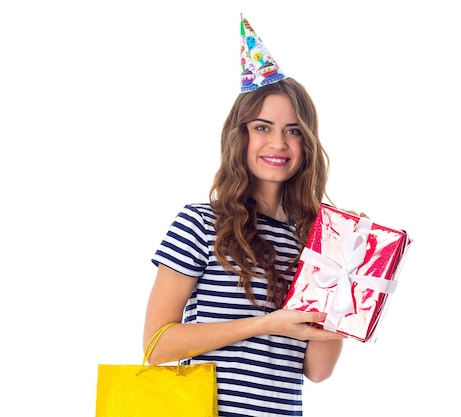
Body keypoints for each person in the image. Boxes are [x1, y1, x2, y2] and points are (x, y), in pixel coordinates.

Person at [143, 15, 344, 417]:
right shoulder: (201, 224)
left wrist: (341, 264)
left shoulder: (311, 240)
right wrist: (265, 324)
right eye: (262, 127)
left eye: (293, 130)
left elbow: (318, 371)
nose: (278, 143)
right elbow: (156, 346)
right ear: (240, 135)